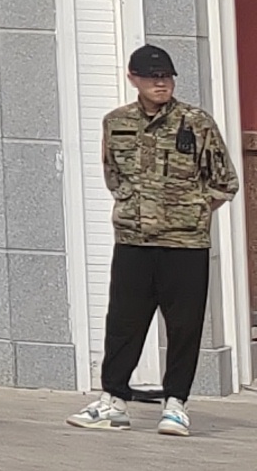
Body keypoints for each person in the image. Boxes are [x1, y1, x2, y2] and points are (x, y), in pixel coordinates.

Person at [78, 43, 237, 436]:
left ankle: (176, 404)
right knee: (123, 323)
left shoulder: (196, 122)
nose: (160, 83)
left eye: (166, 77)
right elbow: (113, 176)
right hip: (134, 241)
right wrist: (134, 208)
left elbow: (224, 182)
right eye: (151, 77)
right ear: (133, 78)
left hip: (185, 245)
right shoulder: (116, 122)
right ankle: (113, 400)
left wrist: (191, 211)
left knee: (184, 327)